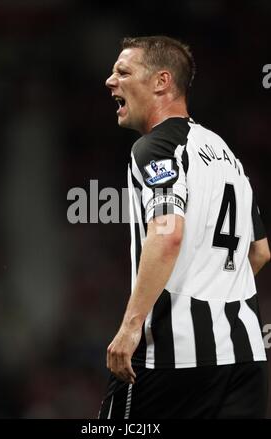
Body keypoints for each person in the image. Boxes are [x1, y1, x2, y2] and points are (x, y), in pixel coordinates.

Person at [98, 36, 270, 419]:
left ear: (161, 82)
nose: (110, 81)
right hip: (245, 356)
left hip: (174, 360)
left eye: (123, 72)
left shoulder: (155, 147)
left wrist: (131, 327)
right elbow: (260, 251)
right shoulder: (226, 154)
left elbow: (166, 232)